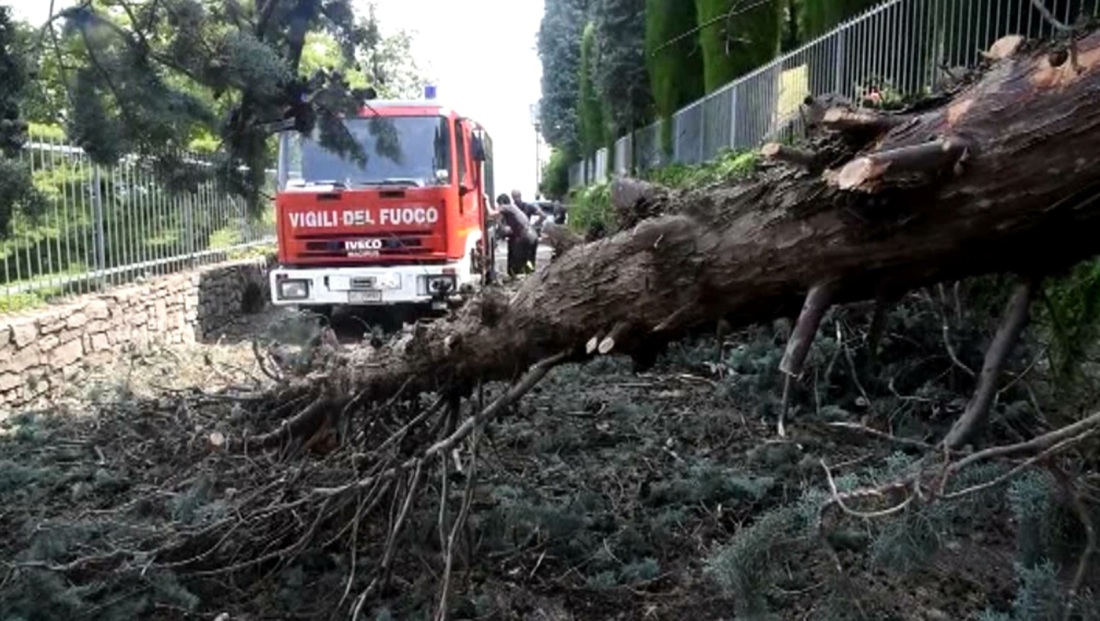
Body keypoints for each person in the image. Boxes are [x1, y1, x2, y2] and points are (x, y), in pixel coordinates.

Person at [496, 193, 537, 277]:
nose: (499, 207)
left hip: (525, 237)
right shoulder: (516, 210)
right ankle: (531, 276)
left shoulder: (507, 207)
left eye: (499, 204)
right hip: (533, 235)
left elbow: (491, 213)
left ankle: (523, 277)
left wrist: (486, 200)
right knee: (529, 259)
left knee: (519, 260)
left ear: (502, 202)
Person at [511, 189, 541, 268]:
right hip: (529, 235)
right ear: (520, 196)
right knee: (530, 257)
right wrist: (534, 225)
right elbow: (542, 215)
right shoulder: (528, 206)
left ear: (512, 197)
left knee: (518, 259)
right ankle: (530, 273)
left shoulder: (512, 208)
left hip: (518, 237)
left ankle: (521, 274)